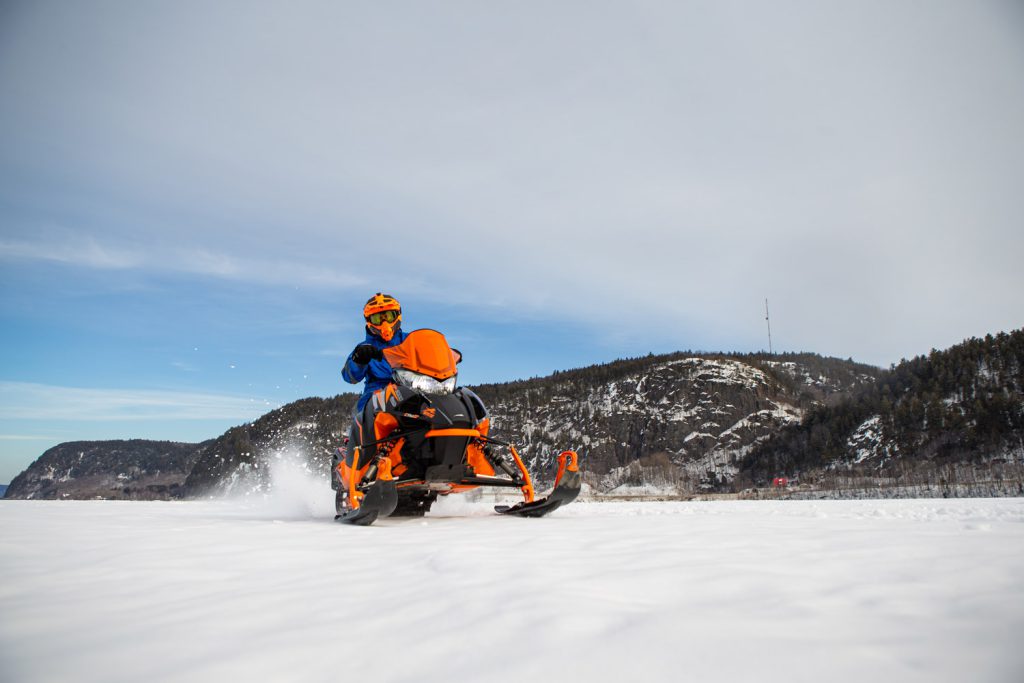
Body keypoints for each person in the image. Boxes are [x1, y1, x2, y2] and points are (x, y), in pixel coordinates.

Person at [342, 292, 407, 414]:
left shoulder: (411, 340)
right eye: (377, 319)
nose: (384, 323)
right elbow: (349, 377)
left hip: (413, 387)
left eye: (388, 316)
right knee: (366, 411)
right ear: (369, 321)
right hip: (377, 394)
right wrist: (358, 360)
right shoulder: (364, 348)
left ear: (397, 315)